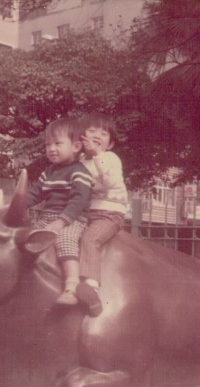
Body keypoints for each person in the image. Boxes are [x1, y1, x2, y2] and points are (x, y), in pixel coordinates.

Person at [26, 117, 92, 305]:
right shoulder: (48, 172)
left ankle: (71, 287)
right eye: (48, 145)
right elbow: (34, 194)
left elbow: (79, 201)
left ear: (76, 146)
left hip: (72, 218)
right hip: (47, 217)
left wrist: (62, 221)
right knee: (28, 240)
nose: (51, 149)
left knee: (65, 239)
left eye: (58, 144)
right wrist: (13, 206)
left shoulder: (79, 173)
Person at [77, 113, 128, 317]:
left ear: (110, 144)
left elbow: (109, 182)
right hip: (88, 213)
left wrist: (97, 155)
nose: (98, 135)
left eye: (103, 133)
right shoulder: (80, 161)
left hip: (110, 212)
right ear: (81, 138)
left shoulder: (110, 158)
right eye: (92, 131)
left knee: (91, 239)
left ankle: (91, 285)